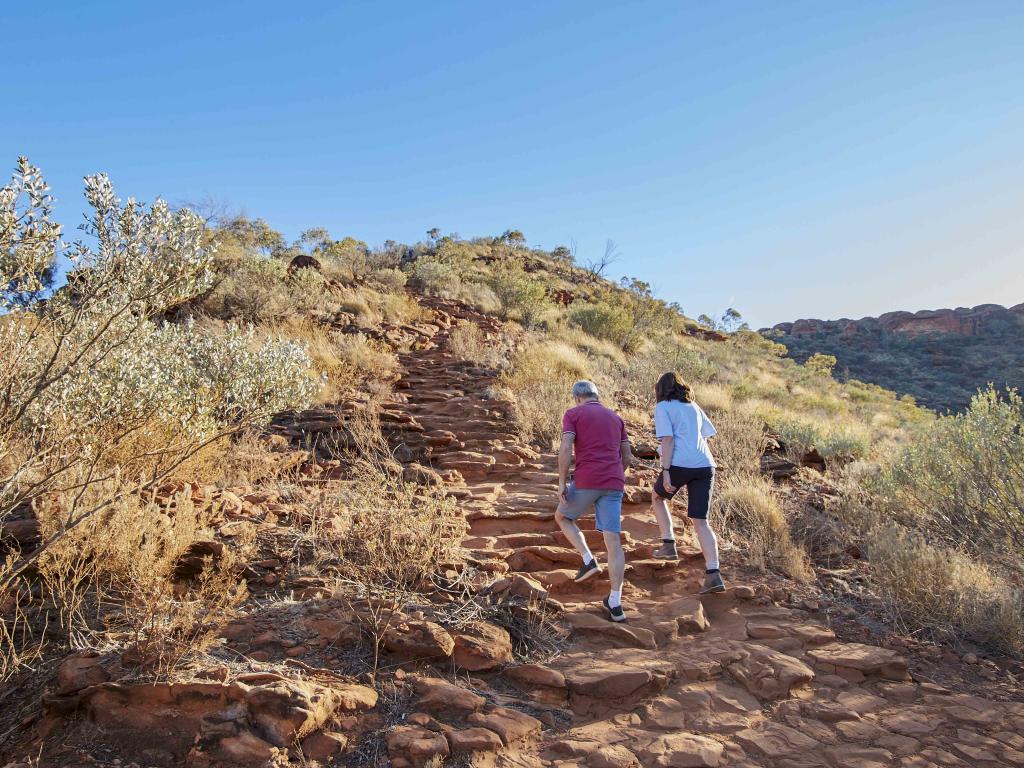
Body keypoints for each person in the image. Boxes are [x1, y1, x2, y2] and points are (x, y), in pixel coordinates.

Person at [554, 380, 633, 622]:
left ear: (577, 397)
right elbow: (627, 456)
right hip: (614, 482)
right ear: (596, 396)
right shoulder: (615, 418)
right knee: (613, 542)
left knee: (563, 517)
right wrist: (615, 473)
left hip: (588, 479)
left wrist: (561, 482)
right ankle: (616, 603)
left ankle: (588, 560)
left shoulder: (574, 414)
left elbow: (566, 447)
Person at [649, 372, 725, 594]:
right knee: (701, 521)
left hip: (680, 463)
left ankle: (668, 545)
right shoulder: (693, 405)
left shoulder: (663, 407)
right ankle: (713, 574)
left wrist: (665, 471)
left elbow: (668, 439)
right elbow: (707, 434)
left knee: (658, 497)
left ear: (660, 390)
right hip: (705, 465)